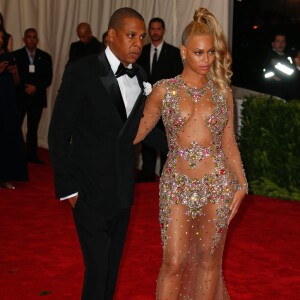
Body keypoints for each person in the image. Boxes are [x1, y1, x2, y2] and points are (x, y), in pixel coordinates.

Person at [48, 7, 167, 300]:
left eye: (141, 37)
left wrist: (182, 145)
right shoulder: (82, 70)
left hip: (123, 188)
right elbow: (59, 131)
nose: (138, 43)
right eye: (131, 35)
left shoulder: (140, 75)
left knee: (112, 267)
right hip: (87, 188)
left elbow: (139, 128)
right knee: (98, 267)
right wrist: (68, 188)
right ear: (111, 35)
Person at [134, 7, 248, 299]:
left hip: (217, 185)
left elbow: (229, 143)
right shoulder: (164, 90)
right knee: (173, 262)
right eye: (199, 53)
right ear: (184, 51)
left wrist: (242, 183)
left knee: (210, 262)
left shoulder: (222, 92)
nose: (206, 60)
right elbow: (135, 133)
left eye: (211, 53)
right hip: (176, 186)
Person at [137, 17, 183, 182]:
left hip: (167, 106)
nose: (155, 32)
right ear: (149, 31)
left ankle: (166, 175)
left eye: (158, 28)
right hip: (146, 105)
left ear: (163, 31)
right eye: (152, 29)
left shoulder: (173, 52)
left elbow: (177, 80)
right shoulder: (141, 51)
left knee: (166, 139)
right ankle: (147, 172)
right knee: (147, 137)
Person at [13, 28, 53, 164]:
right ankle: (14, 154)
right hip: (20, 96)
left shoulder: (45, 57)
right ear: (24, 39)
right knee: (15, 126)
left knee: (33, 127)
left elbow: (48, 78)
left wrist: (35, 87)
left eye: (34, 37)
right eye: (29, 37)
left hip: (36, 97)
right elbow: (13, 77)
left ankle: (32, 155)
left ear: (37, 40)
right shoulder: (15, 56)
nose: (31, 39)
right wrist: (25, 87)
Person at [0, 29, 28, 189]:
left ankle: (6, 176)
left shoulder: (9, 56)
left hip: (7, 101)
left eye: (2, 37)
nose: (0, 39)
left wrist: (15, 73)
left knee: (7, 135)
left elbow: (16, 83)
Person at [262, 33, 296, 100]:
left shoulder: (288, 56)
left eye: (283, 41)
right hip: (275, 94)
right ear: (273, 44)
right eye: (278, 41)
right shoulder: (269, 57)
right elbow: (290, 73)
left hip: (287, 94)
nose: (281, 44)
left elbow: (293, 74)